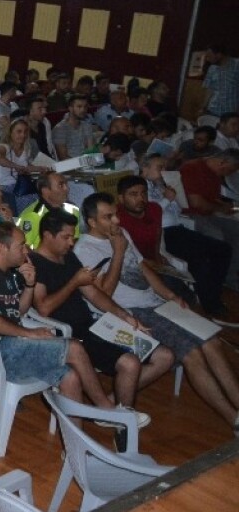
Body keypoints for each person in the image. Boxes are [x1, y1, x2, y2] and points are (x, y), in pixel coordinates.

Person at [74, 193, 239, 432]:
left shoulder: (121, 235)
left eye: (115, 215)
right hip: (128, 312)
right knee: (191, 352)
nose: (116, 221)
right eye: (108, 217)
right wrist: (118, 252)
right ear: (92, 222)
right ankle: (232, 418)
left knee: (212, 342)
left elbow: (144, 269)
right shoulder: (84, 249)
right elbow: (103, 296)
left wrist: (169, 295)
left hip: (156, 304)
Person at [0, 222, 148, 419]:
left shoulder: (10, 275)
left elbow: (17, 312)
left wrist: (30, 285)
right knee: (74, 348)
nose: (26, 250)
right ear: (2, 248)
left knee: (70, 377)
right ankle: (108, 412)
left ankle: (74, 446)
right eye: (21, 246)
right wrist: (30, 334)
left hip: (14, 348)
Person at [31, 209, 173, 418]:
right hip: (69, 334)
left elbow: (92, 293)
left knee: (164, 356)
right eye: (66, 237)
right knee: (130, 363)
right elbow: (43, 308)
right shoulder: (35, 263)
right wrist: (74, 282)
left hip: (93, 324)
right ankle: (121, 421)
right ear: (47, 235)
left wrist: (123, 315)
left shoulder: (67, 257)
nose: (71, 243)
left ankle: (113, 409)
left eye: (73, 237)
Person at [115, 175, 232, 321]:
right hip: (135, 266)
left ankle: (206, 309)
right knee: (171, 295)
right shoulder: (117, 218)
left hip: (155, 262)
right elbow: (123, 250)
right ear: (121, 198)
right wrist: (145, 262)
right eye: (133, 194)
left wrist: (157, 253)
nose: (140, 198)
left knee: (187, 296)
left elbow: (157, 231)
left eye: (143, 193)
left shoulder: (154, 209)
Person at [179, 150, 239, 291]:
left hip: (209, 213)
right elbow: (196, 203)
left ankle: (230, 276)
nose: (228, 175)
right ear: (222, 163)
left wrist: (227, 207)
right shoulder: (192, 168)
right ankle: (211, 282)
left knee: (236, 229)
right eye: (229, 170)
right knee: (217, 237)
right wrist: (221, 208)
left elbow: (213, 198)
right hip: (191, 215)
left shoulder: (215, 173)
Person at [16, 171, 81, 248]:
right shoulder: (33, 215)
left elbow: (75, 238)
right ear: (45, 191)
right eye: (61, 185)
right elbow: (23, 248)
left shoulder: (73, 210)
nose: (67, 188)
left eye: (66, 184)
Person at [52, 94, 99, 160]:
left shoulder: (86, 125)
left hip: (87, 164)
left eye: (85, 107)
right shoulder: (60, 129)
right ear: (70, 108)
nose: (83, 110)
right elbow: (63, 158)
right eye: (79, 107)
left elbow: (91, 151)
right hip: (69, 167)